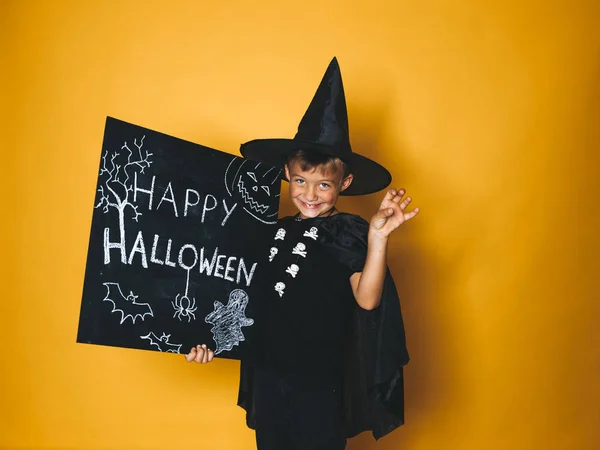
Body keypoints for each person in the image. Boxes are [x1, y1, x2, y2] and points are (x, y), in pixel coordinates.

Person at [185, 57, 419, 449]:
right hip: (270, 380)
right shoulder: (269, 231)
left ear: (344, 182)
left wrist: (378, 241)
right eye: (300, 180)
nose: (309, 194)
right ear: (286, 176)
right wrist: (204, 338)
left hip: (320, 387)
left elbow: (367, 298)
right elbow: (235, 292)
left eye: (323, 185)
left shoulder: (347, 233)